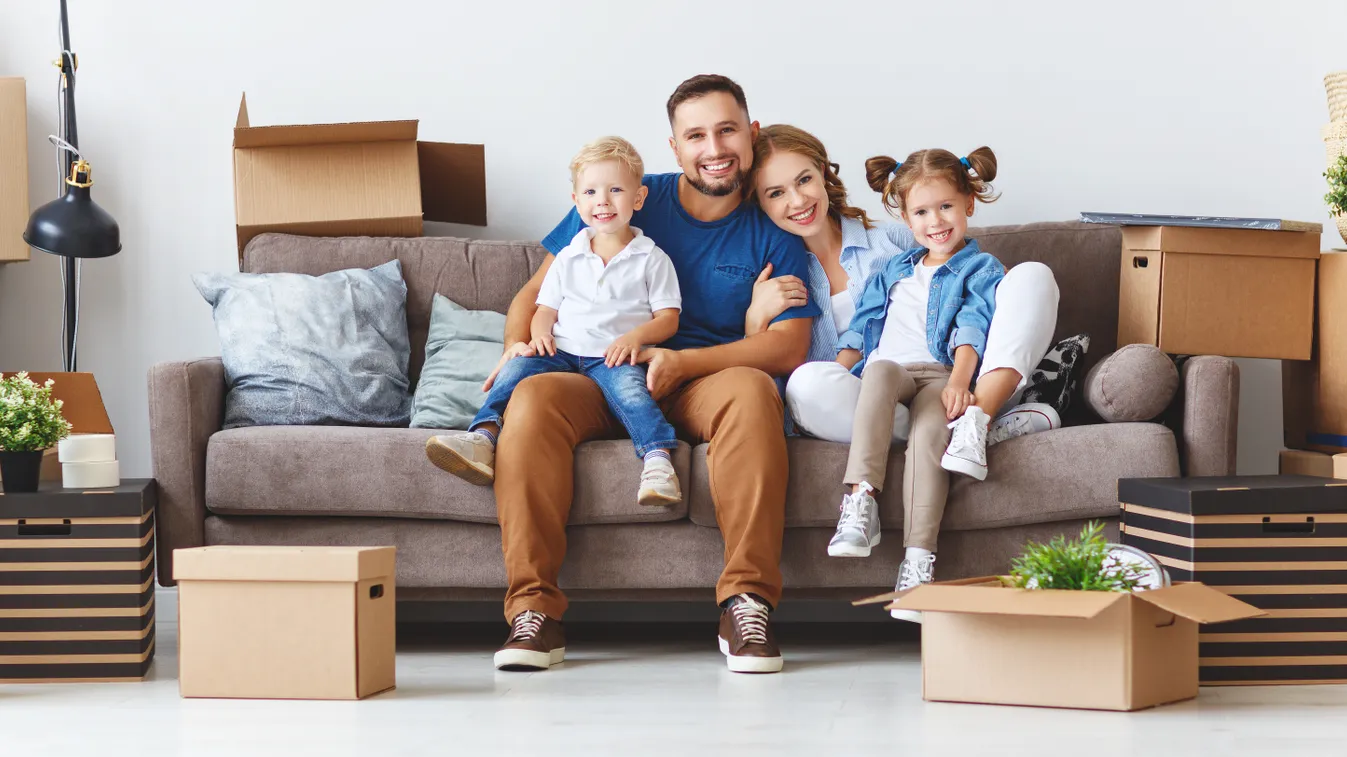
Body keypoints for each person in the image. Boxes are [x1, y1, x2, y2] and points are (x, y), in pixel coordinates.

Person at [466, 75, 819, 674]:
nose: (714, 148)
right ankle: (534, 613)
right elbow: (535, 293)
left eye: (728, 130)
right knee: (530, 399)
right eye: (696, 135)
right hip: (597, 373)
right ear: (675, 147)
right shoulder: (625, 196)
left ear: (751, 135)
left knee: (754, 391)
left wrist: (682, 361)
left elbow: (788, 347)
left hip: (703, 382)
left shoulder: (772, 226)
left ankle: (747, 602)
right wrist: (517, 346)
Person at [747, 128, 1060, 619]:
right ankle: (889, 481)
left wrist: (960, 379)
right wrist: (756, 321)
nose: (796, 200)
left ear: (826, 176)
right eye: (775, 192)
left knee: (1031, 278)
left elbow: (972, 320)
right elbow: (858, 337)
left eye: (804, 179)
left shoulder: (895, 244)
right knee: (813, 383)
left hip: (938, 383)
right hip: (870, 397)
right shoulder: (771, 268)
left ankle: (969, 431)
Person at [426, 136, 684, 507]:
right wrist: (538, 334)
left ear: (638, 198)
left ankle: (658, 463)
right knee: (514, 371)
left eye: (615, 190)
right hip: (561, 351)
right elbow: (545, 307)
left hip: (613, 357)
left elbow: (668, 319)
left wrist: (636, 338)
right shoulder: (569, 255)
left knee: (633, 395)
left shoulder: (652, 258)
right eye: (591, 191)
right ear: (576, 201)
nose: (603, 201)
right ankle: (482, 438)